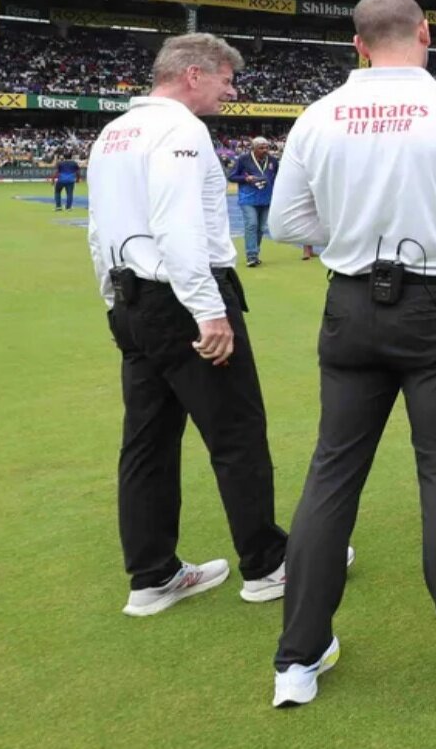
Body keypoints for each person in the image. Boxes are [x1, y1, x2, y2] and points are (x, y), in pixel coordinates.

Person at [267, 0, 436, 708]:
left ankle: (297, 657)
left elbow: (288, 222)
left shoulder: (318, 115)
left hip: (351, 302)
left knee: (330, 477)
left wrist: (350, 232)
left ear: (357, 44)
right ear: (425, 33)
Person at [83, 35, 289, 617]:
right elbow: (177, 228)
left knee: (146, 442)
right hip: (180, 299)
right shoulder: (181, 130)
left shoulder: (113, 132)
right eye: (227, 79)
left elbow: (99, 229)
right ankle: (268, 564)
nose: (232, 90)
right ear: (193, 74)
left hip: (131, 299)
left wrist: (112, 301)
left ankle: (153, 576)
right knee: (236, 434)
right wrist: (209, 310)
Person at [228, 137, 278, 267]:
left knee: (261, 228)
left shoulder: (273, 160)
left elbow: (277, 177)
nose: (265, 150)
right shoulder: (243, 159)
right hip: (248, 198)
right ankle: (251, 255)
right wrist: (246, 178)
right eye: (261, 148)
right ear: (253, 148)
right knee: (252, 224)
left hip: (266, 199)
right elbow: (231, 176)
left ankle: (255, 254)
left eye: (266, 147)